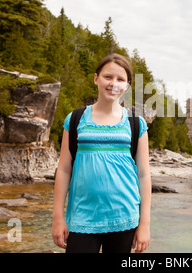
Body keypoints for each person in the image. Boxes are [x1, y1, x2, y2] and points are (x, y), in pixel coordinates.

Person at [52, 53, 151, 253]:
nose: (113, 83)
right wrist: (57, 217)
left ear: (128, 85)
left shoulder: (135, 123)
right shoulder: (75, 119)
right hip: (81, 219)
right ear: (96, 78)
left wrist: (145, 224)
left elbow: (144, 174)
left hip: (124, 219)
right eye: (108, 77)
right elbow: (63, 169)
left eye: (120, 79)